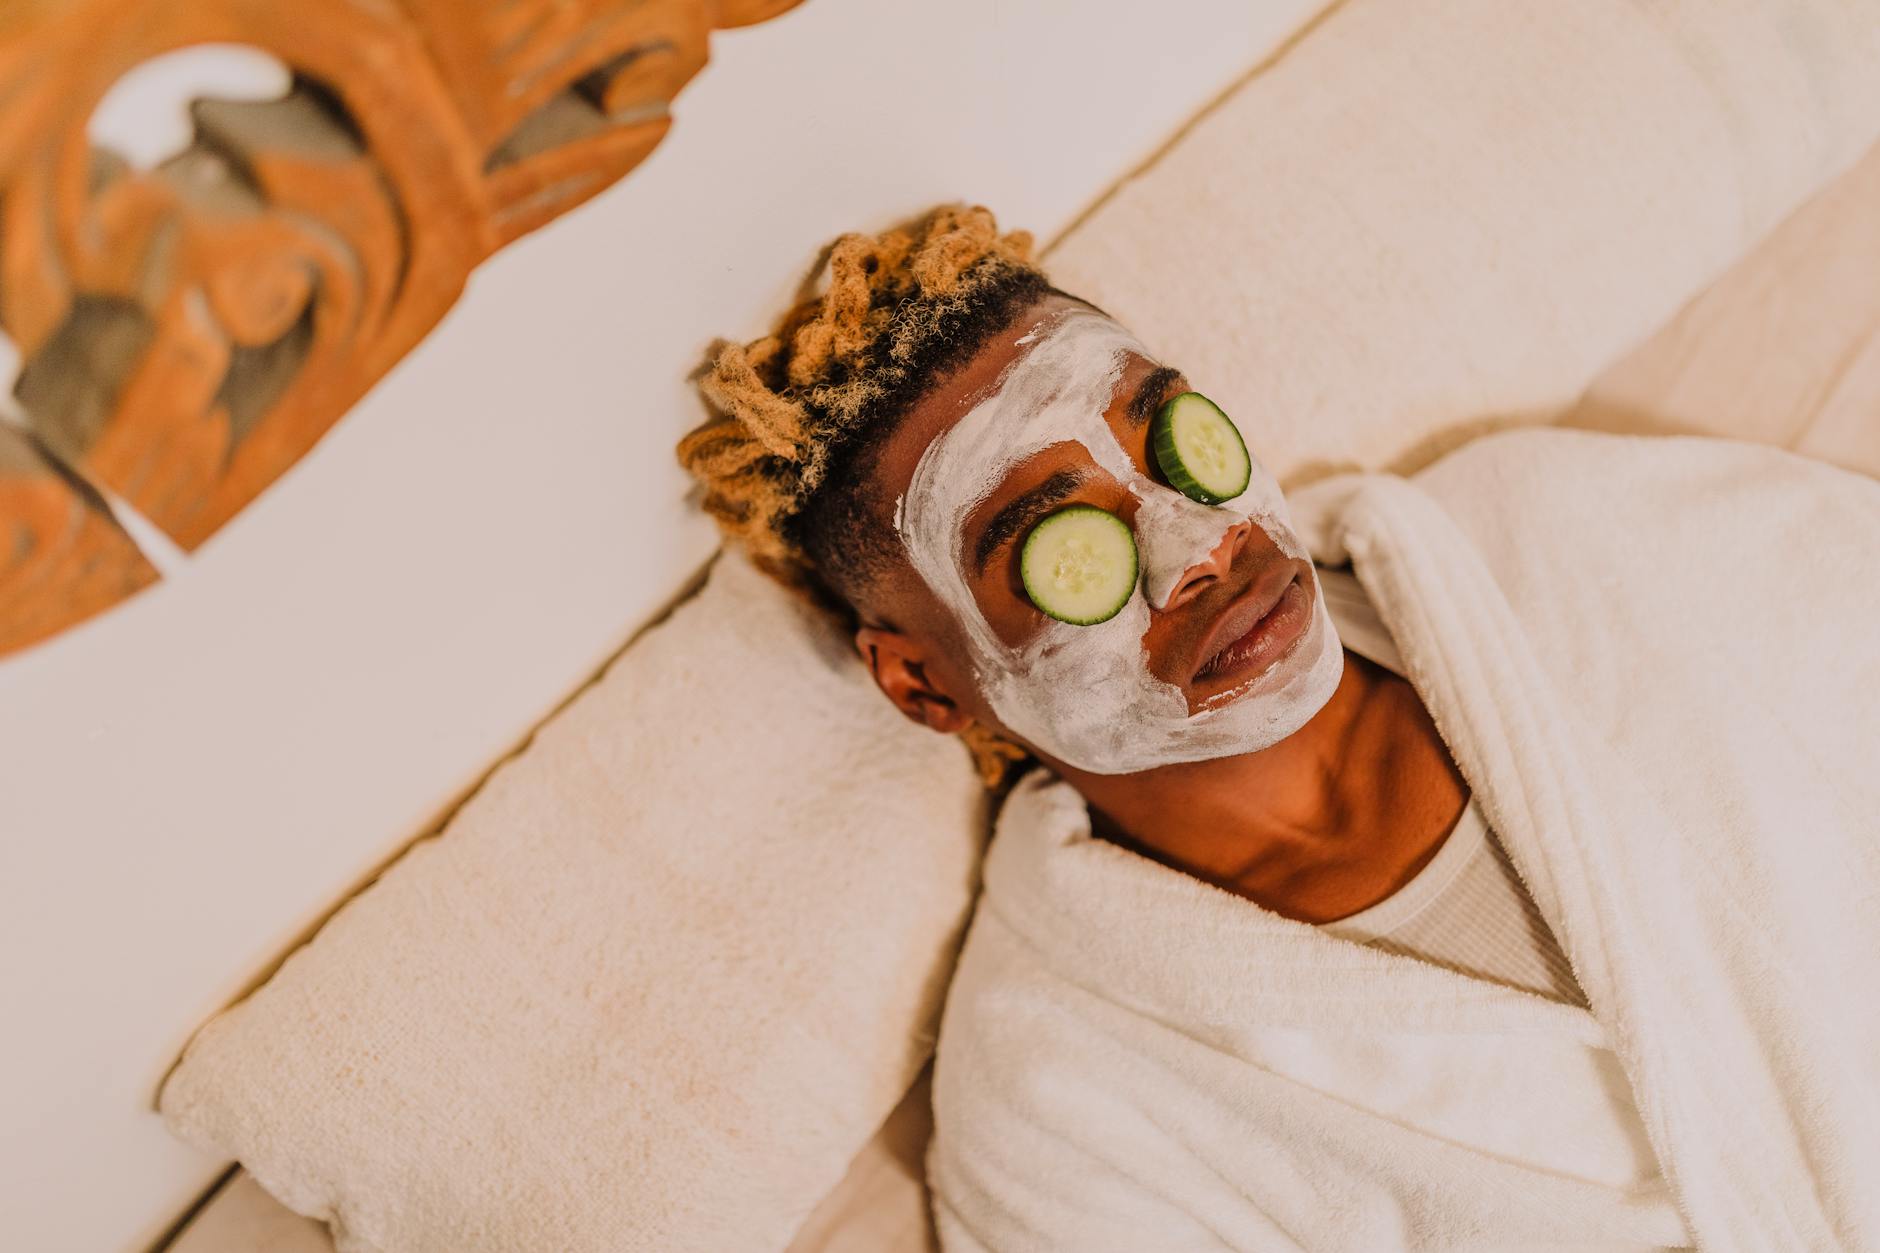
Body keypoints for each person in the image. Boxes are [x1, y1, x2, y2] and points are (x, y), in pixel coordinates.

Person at [677, 205, 1880, 1251]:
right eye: (1061, 541)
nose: (1200, 541)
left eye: (1168, 437)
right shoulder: (1057, 1111)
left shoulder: (1559, 534)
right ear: (926, 687)